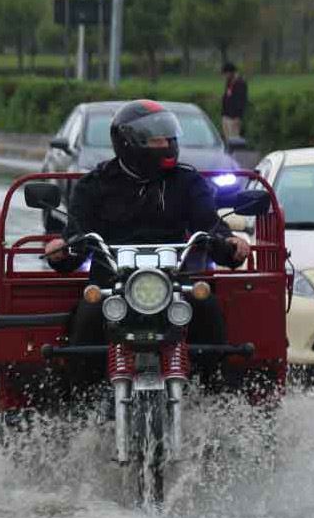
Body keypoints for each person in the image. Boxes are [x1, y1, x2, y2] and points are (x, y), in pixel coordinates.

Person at [46, 100, 250, 353]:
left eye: (169, 138)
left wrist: (229, 243)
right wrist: (61, 250)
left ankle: (211, 378)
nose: (166, 144)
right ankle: (83, 378)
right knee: (89, 313)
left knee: (206, 306)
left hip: (173, 279)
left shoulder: (187, 181)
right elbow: (76, 235)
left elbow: (209, 223)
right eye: (157, 139)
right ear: (128, 141)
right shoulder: (94, 184)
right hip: (110, 281)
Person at [220, 61, 248, 141]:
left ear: (230, 73)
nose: (225, 76)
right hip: (226, 115)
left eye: (226, 74)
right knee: (227, 139)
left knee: (234, 139)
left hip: (234, 117)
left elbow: (241, 101)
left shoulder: (240, 83)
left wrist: (238, 116)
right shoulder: (228, 83)